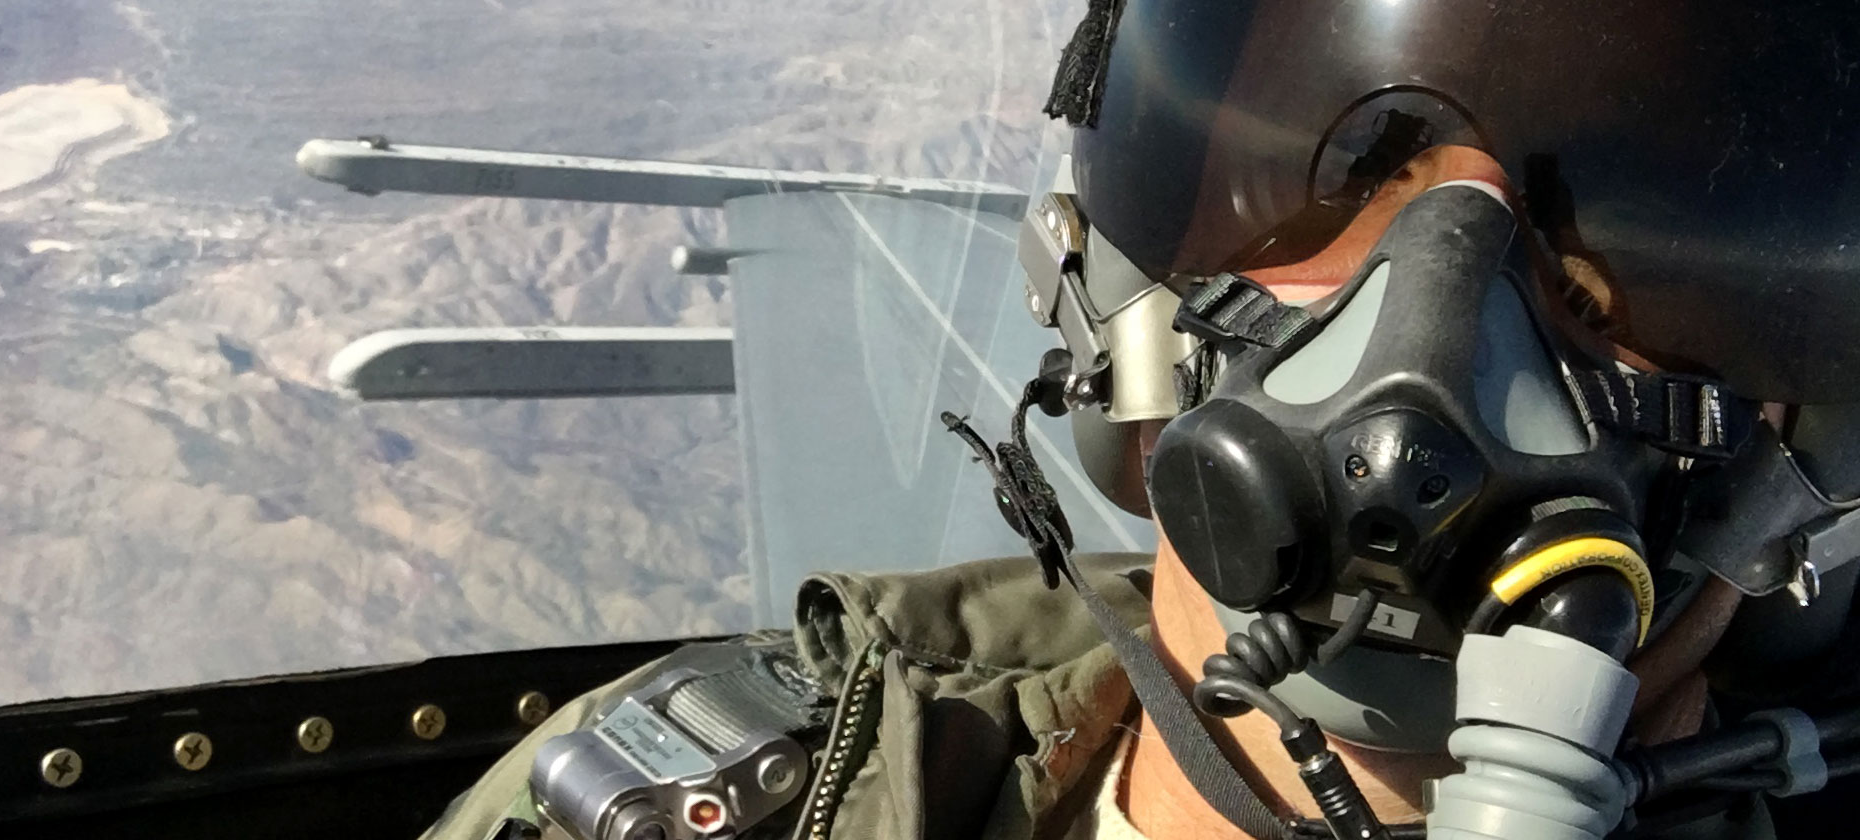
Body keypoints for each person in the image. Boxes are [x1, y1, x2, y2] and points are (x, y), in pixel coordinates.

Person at [422, 1, 1860, 837]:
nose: (1425, 357)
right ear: (1121, 286)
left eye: (1653, 234)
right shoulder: (715, 798)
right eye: (1335, 162)